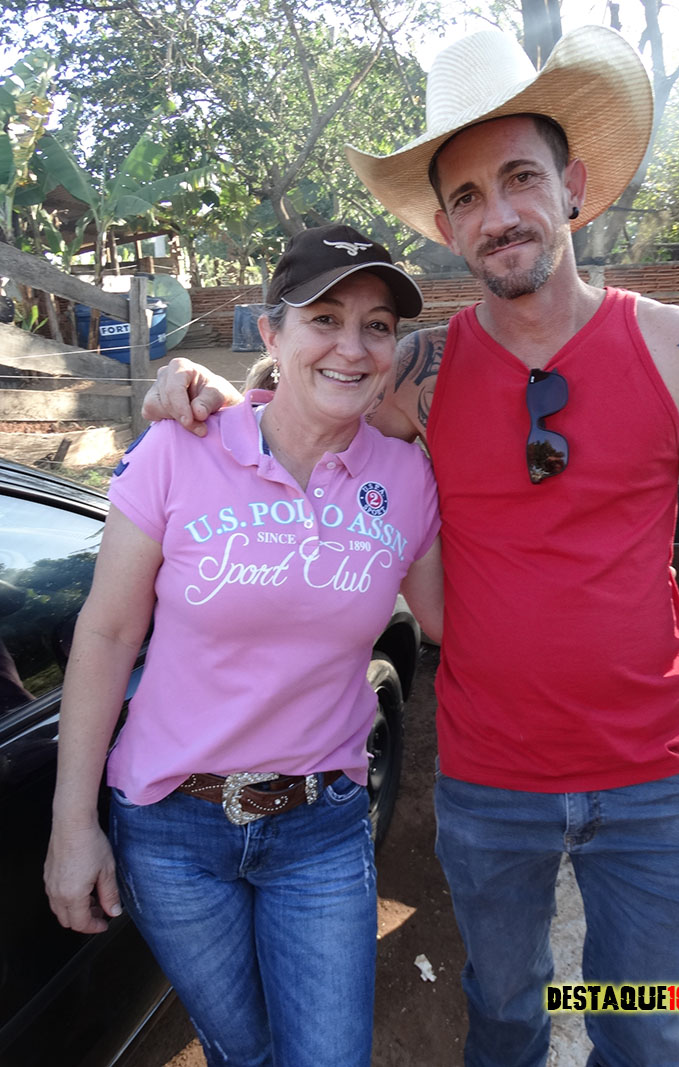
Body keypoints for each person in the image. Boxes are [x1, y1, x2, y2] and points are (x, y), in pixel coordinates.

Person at [142, 26, 679, 1067]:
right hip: (489, 779)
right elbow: (302, 404)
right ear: (445, 226)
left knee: (642, 1020)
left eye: (520, 177)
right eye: (469, 196)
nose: (499, 213)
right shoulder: (416, 374)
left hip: (651, 774)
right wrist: (208, 392)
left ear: (571, 187)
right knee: (505, 1011)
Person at [44, 224, 443, 1067]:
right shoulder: (180, 446)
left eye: (376, 325)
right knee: (242, 1052)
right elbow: (107, 633)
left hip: (320, 827)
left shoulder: (406, 479)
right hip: (172, 830)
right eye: (324, 318)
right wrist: (71, 823)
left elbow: (449, 621)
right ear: (271, 332)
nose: (352, 346)